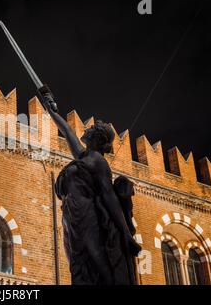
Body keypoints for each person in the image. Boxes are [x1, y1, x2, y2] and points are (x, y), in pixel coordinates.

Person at [38, 85, 141, 285]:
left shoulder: (99, 163)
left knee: (96, 260)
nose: (88, 128)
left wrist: (126, 234)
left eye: (93, 128)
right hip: (71, 214)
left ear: (98, 138)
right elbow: (66, 130)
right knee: (77, 263)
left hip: (87, 214)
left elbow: (109, 197)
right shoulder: (84, 155)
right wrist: (50, 107)